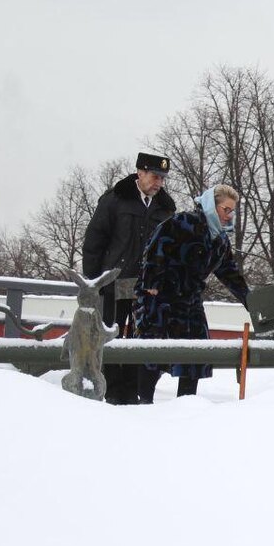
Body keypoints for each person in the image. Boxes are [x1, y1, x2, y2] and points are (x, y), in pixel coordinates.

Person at [134, 184, 249, 403]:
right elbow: (155, 247)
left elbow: (229, 273)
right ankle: (143, 403)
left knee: (196, 352)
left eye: (232, 211)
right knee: (153, 353)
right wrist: (152, 283)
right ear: (211, 207)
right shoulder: (182, 222)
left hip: (190, 301)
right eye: (226, 209)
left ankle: (186, 405)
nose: (230, 215)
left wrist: (249, 300)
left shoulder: (220, 240)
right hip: (160, 297)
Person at [82, 152, 176, 405]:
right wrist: (93, 284)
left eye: (163, 179)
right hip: (113, 283)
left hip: (147, 288)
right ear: (140, 172)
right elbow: (94, 242)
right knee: (111, 334)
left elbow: (169, 249)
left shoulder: (166, 207)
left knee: (142, 339)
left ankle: (133, 390)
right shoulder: (115, 200)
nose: (159, 183)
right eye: (156, 177)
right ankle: (113, 390)